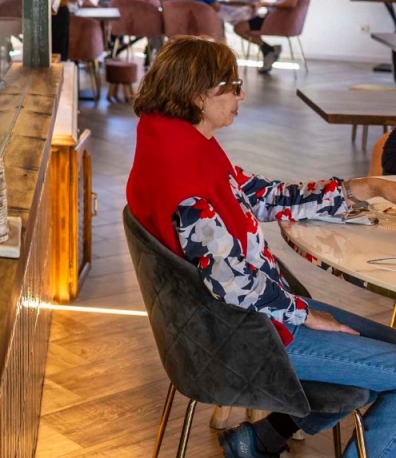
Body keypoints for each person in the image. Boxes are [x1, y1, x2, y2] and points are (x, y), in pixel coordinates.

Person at [127, 36, 396, 458]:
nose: (242, 93)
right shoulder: (184, 180)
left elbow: (259, 194)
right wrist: (305, 313)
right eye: (232, 85)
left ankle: (259, 440)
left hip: (239, 321)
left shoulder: (177, 145)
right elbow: (231, 282)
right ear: (199, 94)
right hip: (247, 336)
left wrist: (355, 190)